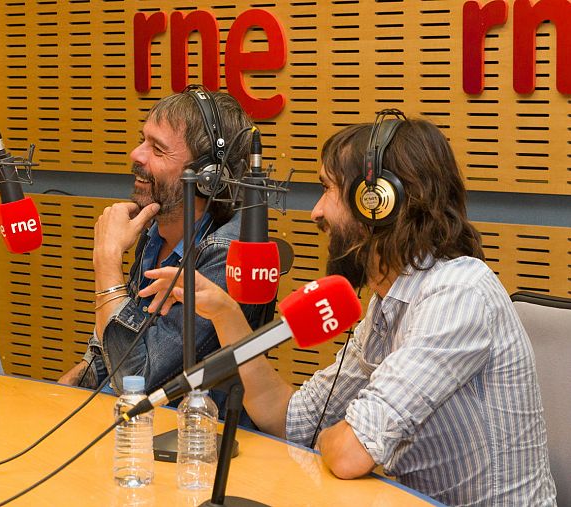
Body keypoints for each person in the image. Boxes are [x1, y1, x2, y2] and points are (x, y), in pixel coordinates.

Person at [141, 114, 557, 505]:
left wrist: (335, 438)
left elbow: (348, 455)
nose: (315, 212)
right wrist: (226, 314)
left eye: (327, 189)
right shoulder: (388, 301)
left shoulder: (458, 295)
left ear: (377, 202)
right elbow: (288, 418)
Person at [58, 89, 271, 398]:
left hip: (192, 434)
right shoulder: (156, 231)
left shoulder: (226, 253)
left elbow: (138, 380)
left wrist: (107, 262)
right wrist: (79, 378)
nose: (136, 154)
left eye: (157, 149)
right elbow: (118, 341)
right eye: (142, 139)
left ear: (207, 176)